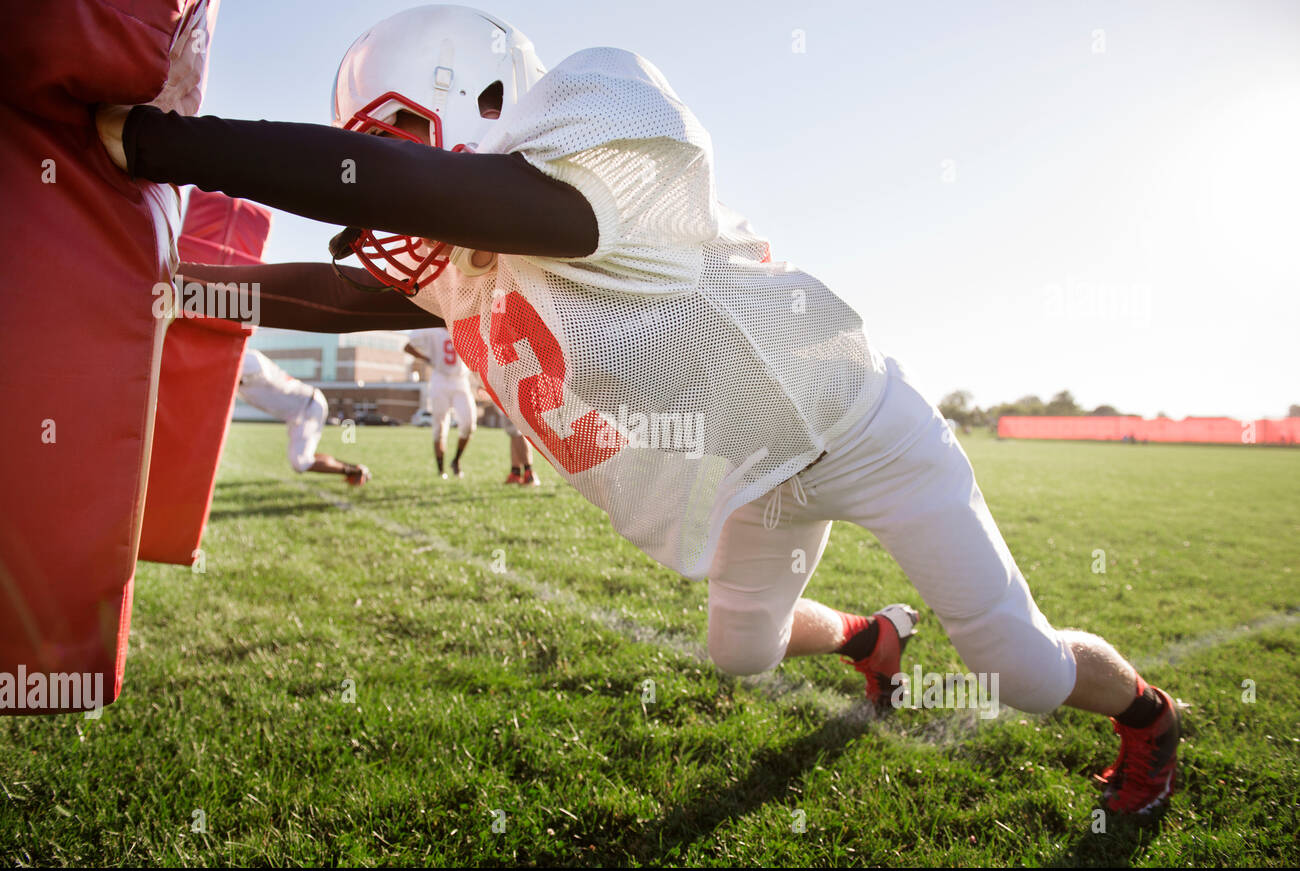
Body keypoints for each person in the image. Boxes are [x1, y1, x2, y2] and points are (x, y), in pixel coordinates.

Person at [97, 4, 1179, 815]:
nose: (391, 174)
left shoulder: (597, 133)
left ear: (486, 104)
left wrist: (163, 144)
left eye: (402, 138)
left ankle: (1150, 719)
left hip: (861, 429)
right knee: (740, 657)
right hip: (759, 475)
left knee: (1020, 675)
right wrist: (188, 289)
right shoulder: (456, 244)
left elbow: (411, 192)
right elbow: (341, 289)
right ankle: (869, 637)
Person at [239, 348, 371, 486]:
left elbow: (238, 376)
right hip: (300, 410)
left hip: (307, 406)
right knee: (304, 458)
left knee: (300, 462)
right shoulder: (245, 358)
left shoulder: (250, 358)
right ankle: (354, 468)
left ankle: (355, 471)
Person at [406, 325, 476, 478]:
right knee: (440, 427)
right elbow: (408, 347)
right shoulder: (431, 329)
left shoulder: (462, 327)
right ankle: (441, 469)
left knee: (468, 424)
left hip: (461, 380)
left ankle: (456, 460)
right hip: (440, 379)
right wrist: (426, 358)